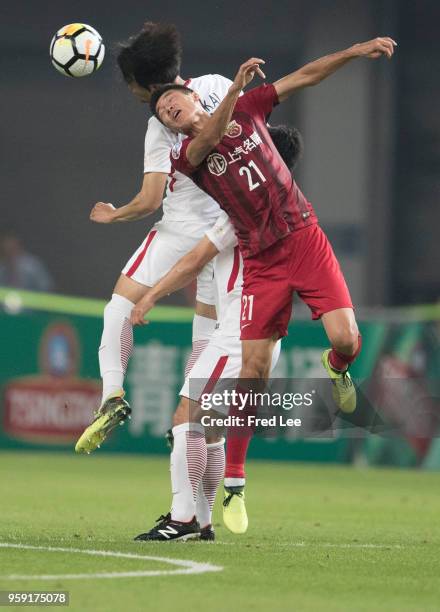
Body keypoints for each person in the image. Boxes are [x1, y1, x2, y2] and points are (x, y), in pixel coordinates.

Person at [132, 37, 397, 532]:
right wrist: (233, 86)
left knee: (347, 341)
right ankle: (235, 481)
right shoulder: (188, 155)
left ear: (192, 97)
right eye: (165, 114)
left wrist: (356, 51)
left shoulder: (251, 109)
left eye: (175, 101)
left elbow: (305, 76)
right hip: (262, 262)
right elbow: (209, 138)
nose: (171, 111)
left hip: (305, 239)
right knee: (251, 370)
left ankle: (336, 368)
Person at [132, 126, 302, 540]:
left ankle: (184, 517)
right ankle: (202, 523)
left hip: (240, 335)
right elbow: (211, 284)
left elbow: (196, 258)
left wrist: (150, 294)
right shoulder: (283, 205)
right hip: (244, 333)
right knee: (207, 429)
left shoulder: (248, 208)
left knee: (185, 418)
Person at [75, 22, 237, 453]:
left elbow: (149, 200)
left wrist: (115, 214)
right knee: (205, 339)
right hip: (226, 236)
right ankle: (194, 420)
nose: (131, 94)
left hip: (180, 232)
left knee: (119, 308)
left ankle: (111, 394)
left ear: (146, 85)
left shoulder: (160, 123)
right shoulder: (219, 86)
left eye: (130, 85)